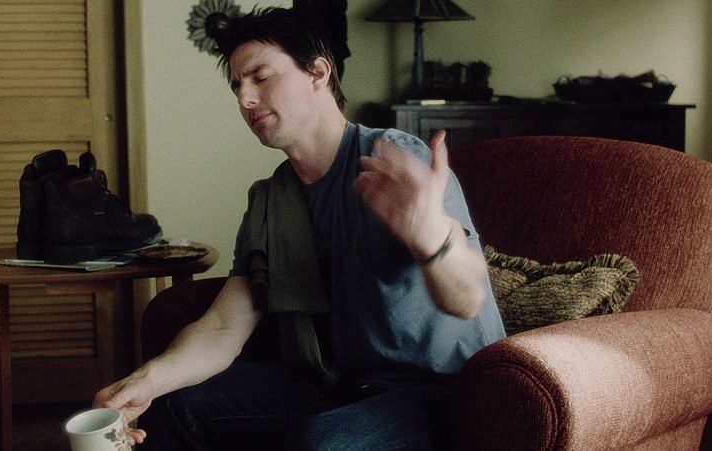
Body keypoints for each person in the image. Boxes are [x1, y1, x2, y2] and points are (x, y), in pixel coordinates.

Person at [94, 6, 505, 450]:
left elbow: (467, 298)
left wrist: (431, 239)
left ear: (318, 73)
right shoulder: (272, 199)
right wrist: (145, 382)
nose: (245, 99)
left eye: (261, 77)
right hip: (344, 382)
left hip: (439, 391)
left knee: (320, 443)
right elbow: (224, 327)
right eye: (237, 86)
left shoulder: (393, 162)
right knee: (173, 407)